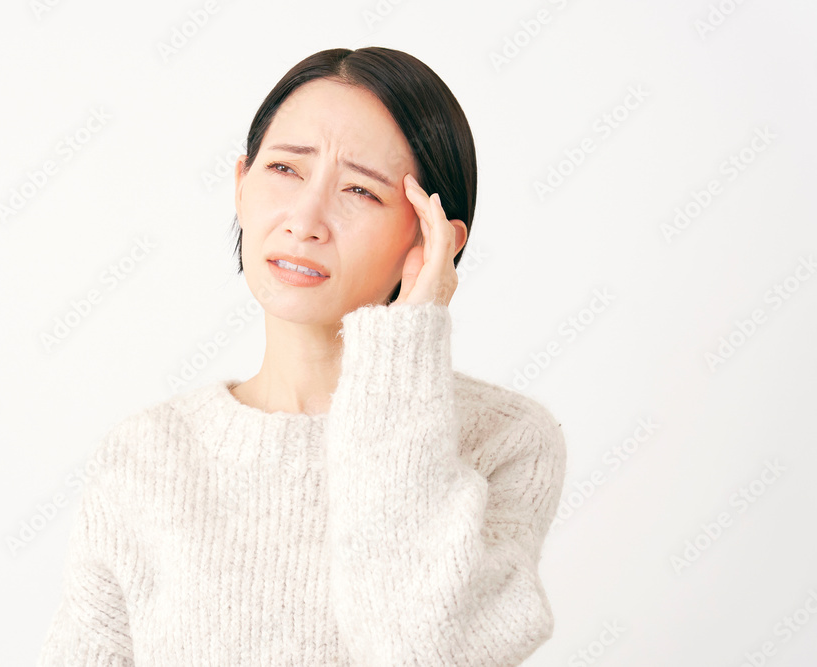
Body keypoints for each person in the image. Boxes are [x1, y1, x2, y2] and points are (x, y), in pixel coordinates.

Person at [36, 46, 567, 666]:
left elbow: (421, 653)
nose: (306, 220)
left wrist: (403, 347)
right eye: (286, 169)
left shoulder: (502, 441)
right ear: (241, 185)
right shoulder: (147, 453)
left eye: (361, 190)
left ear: (433, 238)